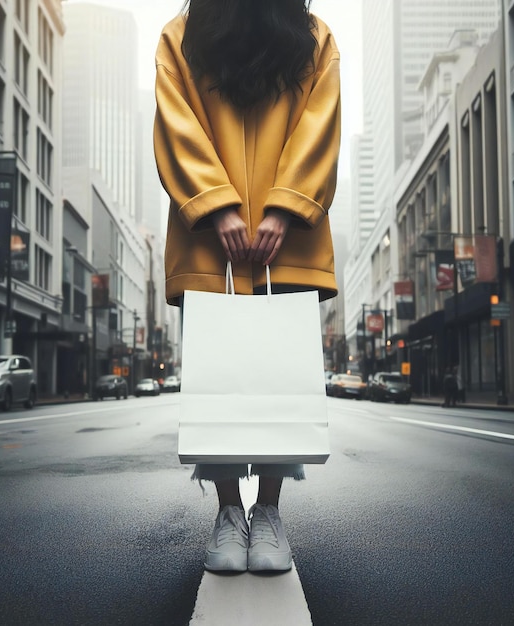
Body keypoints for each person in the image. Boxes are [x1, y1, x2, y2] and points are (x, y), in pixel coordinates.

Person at [154, 0, 340, 572]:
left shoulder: (316, 37)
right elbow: (174, 120)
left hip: (289, 242)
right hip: (212, 243)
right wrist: (218, 209)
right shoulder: (178, 36)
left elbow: (321, 120)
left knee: (281, 382)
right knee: (221, 381)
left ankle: (271, 516)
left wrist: (286, 209)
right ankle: (231, 513)